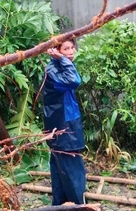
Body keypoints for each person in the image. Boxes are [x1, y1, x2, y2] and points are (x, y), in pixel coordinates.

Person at [42, 40, 86, 205]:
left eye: (72, 47)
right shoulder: (53, 70)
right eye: (66, 48)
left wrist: (63, 60)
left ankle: (60, 205)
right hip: (63, 127)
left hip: (64, 123)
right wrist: (63, 59)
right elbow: (74, 80)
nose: (71, 51)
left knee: (61, 167)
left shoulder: (58, 67)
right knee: (72, 167)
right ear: (55, 51)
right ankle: (79, 206)